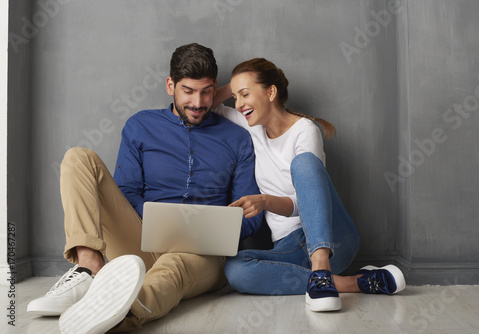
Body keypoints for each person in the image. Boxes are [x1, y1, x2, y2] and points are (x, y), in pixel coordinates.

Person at [26, 43, 263, 333]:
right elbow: (126, 193)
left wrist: (215, 226)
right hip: (140, 239)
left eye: (206, 91)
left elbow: (252, 218)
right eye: (188, 91)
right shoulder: (140, 126)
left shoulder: (237, 138)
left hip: (202, 255)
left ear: (215, 88)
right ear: (170, 85)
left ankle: (121, 314)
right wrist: (160, 220)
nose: (198, 102)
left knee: (172, 270)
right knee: (78, 158)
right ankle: (90, 269)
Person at [213, 58, 406, 312]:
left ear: (271, 92)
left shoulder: (305, 131)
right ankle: (354, 282)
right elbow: (210, 106)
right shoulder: (253, 127)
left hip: (332, 239)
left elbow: (305, 201)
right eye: (236, 97)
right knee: (236, 270)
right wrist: (238, 84)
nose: (238, 104)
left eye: (245, 95)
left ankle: (322, 267)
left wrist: (265, 201)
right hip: (290, 248)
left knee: (303, 163)